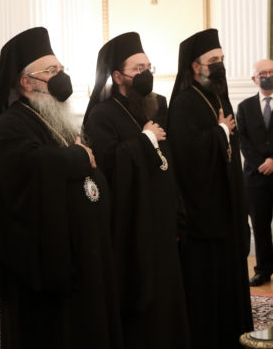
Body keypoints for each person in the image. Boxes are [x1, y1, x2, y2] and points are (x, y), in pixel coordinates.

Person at [0, 27, 123, 349]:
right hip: (44, 264)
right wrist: (77, 157)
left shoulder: (56, 118)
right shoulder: (10, 125)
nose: (60, 77)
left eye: (61, 69)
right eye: (51, 71)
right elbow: (31, 170)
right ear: (26, 81)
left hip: (83, 251)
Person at [83, 32, 190, 349]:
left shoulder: (156, 105)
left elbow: (168, 161)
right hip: (132, 222)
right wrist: (144, 140)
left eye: (148, 67)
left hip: (162, 214)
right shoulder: (102, 115)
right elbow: (108, 167)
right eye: (138, 69)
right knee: (142, 292)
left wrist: (177, 211)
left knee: (168, 291)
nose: (145, 74)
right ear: (117, 76)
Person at [168, 28, 253, 348]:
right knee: (207, 287)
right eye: (213, 60)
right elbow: (186, 154)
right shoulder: (184, 103)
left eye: (222, 59)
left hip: (227, 207)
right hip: (202, 214)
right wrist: (219, 132)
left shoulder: (219, 95)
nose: (219, 65)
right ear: (195, 66)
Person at [237, 58, 273, 287]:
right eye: (263, 73)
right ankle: (263, 270)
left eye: (271, 71)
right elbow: (242, 141)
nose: (268, 76)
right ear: (254, 78)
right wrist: (262, 163)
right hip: (255, 177)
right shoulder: (244, 107)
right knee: (260, 226)